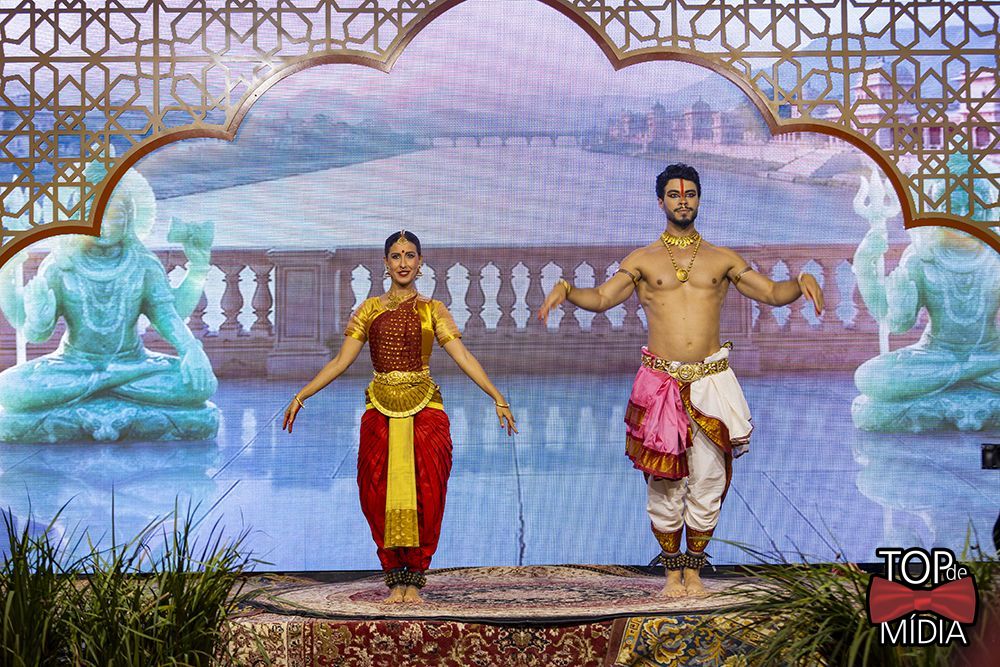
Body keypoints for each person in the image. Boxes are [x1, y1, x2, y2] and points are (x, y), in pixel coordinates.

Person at [538, 164, 823, 598]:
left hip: (711, 380)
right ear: (661, 202)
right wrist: (567, 290)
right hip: (661, 383)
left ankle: (695, 572)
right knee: (665, 483)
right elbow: (602, 298)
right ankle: (673, 575)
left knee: (709, 479)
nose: (682, 201)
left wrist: (800, 282)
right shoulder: (642, 260)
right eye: (674, 194)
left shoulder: (722, 259)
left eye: (689, 194)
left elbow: (769, 293)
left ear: (699, 199)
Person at [283, 231, 516, 604]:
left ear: (420, 263)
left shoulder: (433, 309)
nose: (403, 263)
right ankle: (394, 578)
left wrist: (496, 396)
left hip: (426, 408)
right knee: (375, 492)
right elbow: (341, 361)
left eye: (410, 255)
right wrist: (302, 395)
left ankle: (415, 577)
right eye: (396, 256)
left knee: (428, 492)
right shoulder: (369, 309)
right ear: (386, 263)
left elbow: (462, 355)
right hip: (380, 406)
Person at [0, 160, 217, 442]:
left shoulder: (143, 264)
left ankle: (96, 389)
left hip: (134, 363)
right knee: (8, 389)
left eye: (114, 216)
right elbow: (36, 335)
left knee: (201, 385)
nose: (103, 225)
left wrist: (190, 348)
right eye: (93, 214)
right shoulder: (60, 265)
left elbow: (166, 316)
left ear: (129, 219)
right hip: (74, 364)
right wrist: (38, 316)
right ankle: (111, 387)